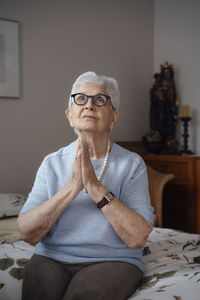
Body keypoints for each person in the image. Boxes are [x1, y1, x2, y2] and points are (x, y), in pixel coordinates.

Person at [17, 71, 154, 300]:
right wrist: (73, 187)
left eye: (100, 100)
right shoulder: (52, 163)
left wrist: (94, 186)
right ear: (70, 115)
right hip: (51, 259)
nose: (89, 105)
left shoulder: (131, 164)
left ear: (113, 118)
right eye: (81, 98)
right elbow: (26, 231)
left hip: (113, 261)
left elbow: (138, 236)